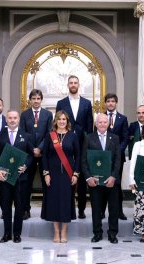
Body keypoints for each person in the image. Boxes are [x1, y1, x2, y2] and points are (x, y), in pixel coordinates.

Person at [0, 110, 34, 243]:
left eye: (15, 118)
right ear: (6, 120)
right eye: (10, 118)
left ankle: (17, 234)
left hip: (21, 179)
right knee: (5, 206)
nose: (12, 120)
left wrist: (25, 166)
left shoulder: (26, 136)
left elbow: (31, 155)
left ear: (18, 119)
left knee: (20, 207)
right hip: (4, 178)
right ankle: (7, 233)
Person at [56, 75, 93, 219]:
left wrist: (90, 143)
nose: (73, 85)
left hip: (83, 144)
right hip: (66, 144)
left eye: (75, 82)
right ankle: (68, 208)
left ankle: (82, 209)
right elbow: (58, 122)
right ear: (67, 85)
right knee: (67, 178)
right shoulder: (61, 103)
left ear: (79, 84)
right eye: (71, 83)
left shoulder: (86, 103)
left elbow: (90, 125)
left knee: (82, 178)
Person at [81, 114, 121, 244]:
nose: (102, 124)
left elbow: (118, 160)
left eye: (105, 122)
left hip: (111, 181)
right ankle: (97, 233)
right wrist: (88, 178)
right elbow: (84, 160)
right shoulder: (88, 138)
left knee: (113, 209)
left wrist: (113, 176)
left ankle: (112, 234)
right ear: (96, 124)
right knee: (96, 209)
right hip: (95, 181)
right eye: (100, 122)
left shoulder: (115, 138)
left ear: (108, 124)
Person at [41, 110, 80, 243]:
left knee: (65, 203)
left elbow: (78, 156)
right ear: (55, 121)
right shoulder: (49, 136)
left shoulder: (73, 136)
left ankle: (64, 232)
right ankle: (56, 232)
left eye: (64, 119)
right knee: (54, 203)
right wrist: (46, 173)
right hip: (53, 175)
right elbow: (44, 156)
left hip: (68, 176)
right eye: (59, 119)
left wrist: (75, 173)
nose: (62, 121)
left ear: (67, 121)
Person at [20, 89, 53, 220]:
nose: (36, 101)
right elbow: (22, 133)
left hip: (44, 153)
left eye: (38, 98)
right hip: (28, 154)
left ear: (41, 100)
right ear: (30, 100)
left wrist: (40, 148)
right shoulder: (24, 115)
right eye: (33, 98)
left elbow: (49, 133)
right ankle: (25, 210)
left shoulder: (47, 114)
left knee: (47, 183)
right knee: (26, 183)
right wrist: (32, 149)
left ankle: (47, 211)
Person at [104, 93, 129, 220]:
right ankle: (102, 211)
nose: (110, 103)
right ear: (105, 103)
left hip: (118, 157)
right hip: (104, 157)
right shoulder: (101, 118)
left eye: (113, 101)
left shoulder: (122, 119)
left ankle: (119, 211)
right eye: (108, 101)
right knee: (102, 183)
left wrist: (119, 151)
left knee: (117, 184)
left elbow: (125, 138)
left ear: (116, 103)